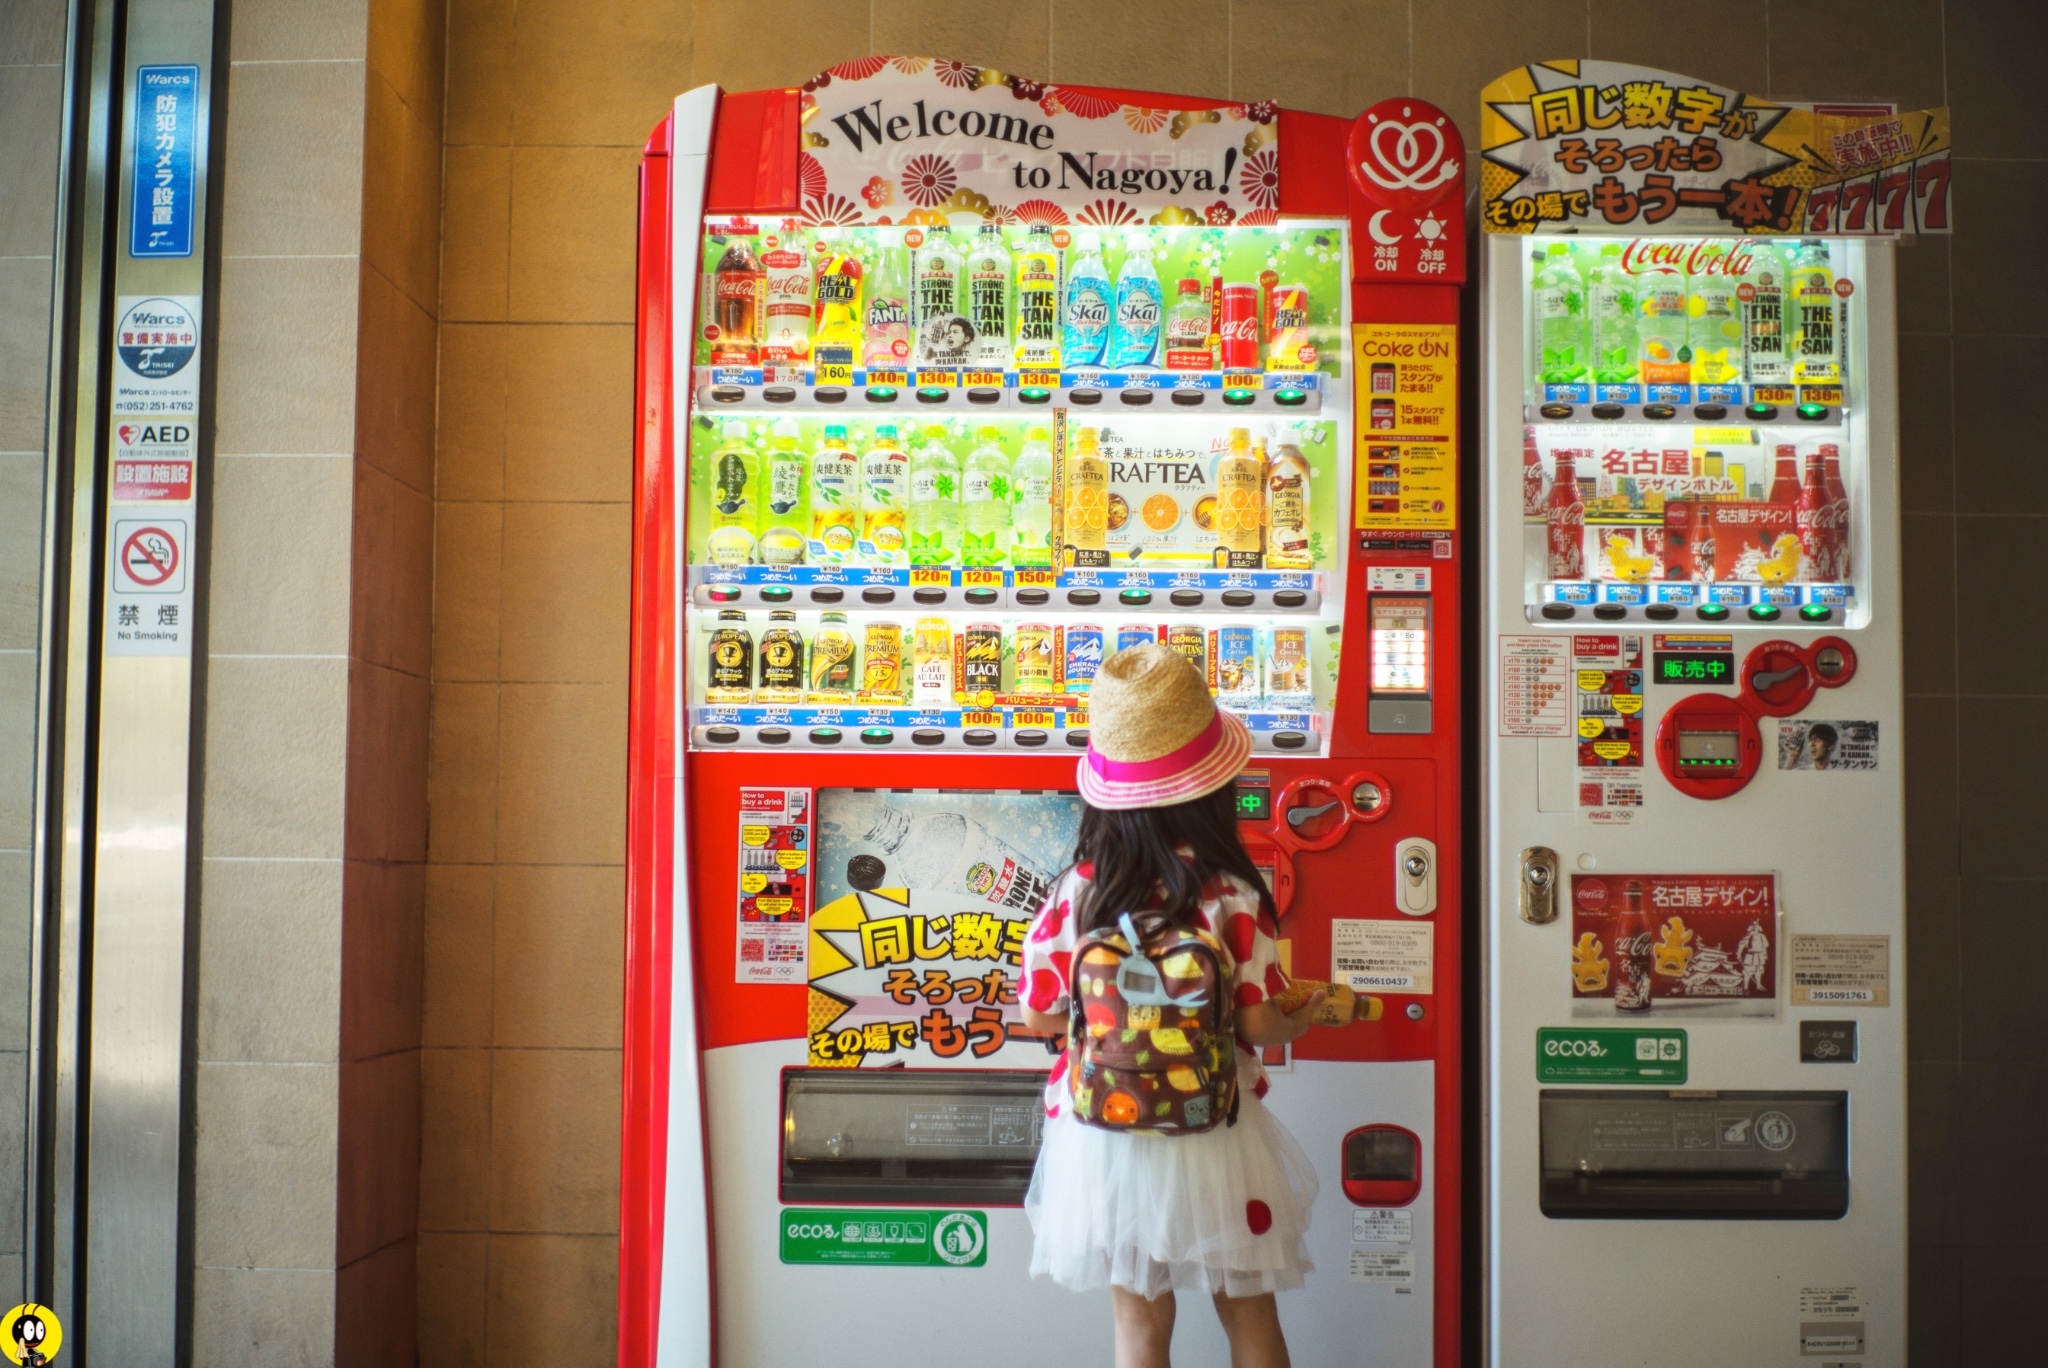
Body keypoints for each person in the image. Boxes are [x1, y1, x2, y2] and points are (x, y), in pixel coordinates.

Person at [1019, 643, 1323, 1368]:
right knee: (1251, 1321)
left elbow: (1039, 1016)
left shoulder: (1073, 895)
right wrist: (1302, 1014)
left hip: (1105, 1139)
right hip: (1216, 1131)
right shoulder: (1233, 895)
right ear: (1212, 790)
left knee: (1138, 1329)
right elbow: (1255, 1018)